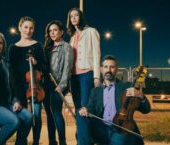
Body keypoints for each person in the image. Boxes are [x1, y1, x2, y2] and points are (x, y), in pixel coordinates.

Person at [78, 55, 151, 145]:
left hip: (121, 130)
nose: (108, 70)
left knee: (118, 140)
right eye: (106, 67)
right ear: (101, 69)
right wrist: (85, 110)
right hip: (102, 129)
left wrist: (140, 95)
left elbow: (146, 109)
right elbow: (91, 109)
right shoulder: (95, 91)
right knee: (80, 118)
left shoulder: (127, 87)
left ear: (116, 69)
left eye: (112, 67)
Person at [7, 16, 45, 145]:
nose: (28, 30)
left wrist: (37, 62)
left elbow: (45, 66)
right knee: (22, 118)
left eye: (31, 28)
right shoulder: (13, 48)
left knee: (36, 117)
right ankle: (21, 141)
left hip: (34, 86)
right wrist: (16, 95)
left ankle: (36, 142)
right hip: (18, 88)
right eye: (26, 27)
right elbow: (11, 72)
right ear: (20, 28)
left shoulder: (37, 45)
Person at [66, 7, 101, 144]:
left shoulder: (91, 31)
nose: (74, 18)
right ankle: (82, 140)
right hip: (74, 77)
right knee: (78, 110)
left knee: (85, 109)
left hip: (87, 74)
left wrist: (96, 76)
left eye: (76, 15)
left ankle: (84, 141)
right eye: (71, 16)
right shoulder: (72, 36)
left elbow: (97, 54)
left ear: (80, 17)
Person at [43, 20, 73, 145]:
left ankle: (62, 141)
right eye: (50, 31)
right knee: (49, 113)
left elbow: (68, 68)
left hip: (58, 85)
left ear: (61, 32)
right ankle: (52, 141)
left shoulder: (66, 46)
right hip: (46, 85)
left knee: (56, 112)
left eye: (55, 30)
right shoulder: (47, 47)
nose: (52, 33)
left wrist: (62, 85)